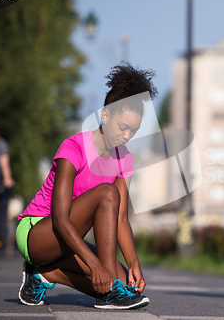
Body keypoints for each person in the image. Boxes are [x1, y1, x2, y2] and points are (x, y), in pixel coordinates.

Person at [15, 63, 157, 310]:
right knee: (107, 194)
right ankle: (106, 292)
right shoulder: (74, 148)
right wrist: (95, 264)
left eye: (133, 131)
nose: (127, 136)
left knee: (124, 282)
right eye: (123, 127)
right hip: (37, 233)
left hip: (68, 239)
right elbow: (60, 219)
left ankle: (46, 274)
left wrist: (134, 262)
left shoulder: (125, 159)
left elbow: (121, 219)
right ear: (106, 116)